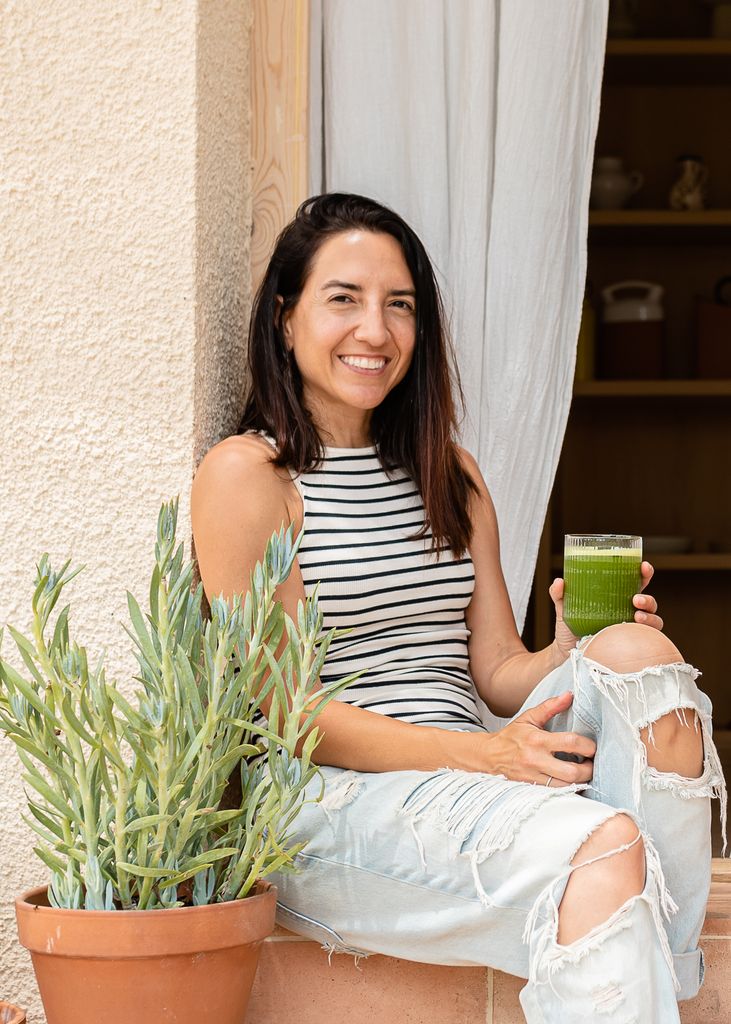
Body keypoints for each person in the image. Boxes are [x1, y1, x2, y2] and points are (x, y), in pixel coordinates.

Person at [191, 192, 726, 1023]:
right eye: (344, 299)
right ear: (284, 317)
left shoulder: (451, 475)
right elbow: (289, 713)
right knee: (604, 846)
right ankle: (664, 978)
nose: (375, 330)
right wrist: (483, 758)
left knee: (639, 662)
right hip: (330, 801)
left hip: (468, 771)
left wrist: (567, 648)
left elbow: (497, 672)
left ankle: (665, 970)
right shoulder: (251, 476)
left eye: (399, 305)